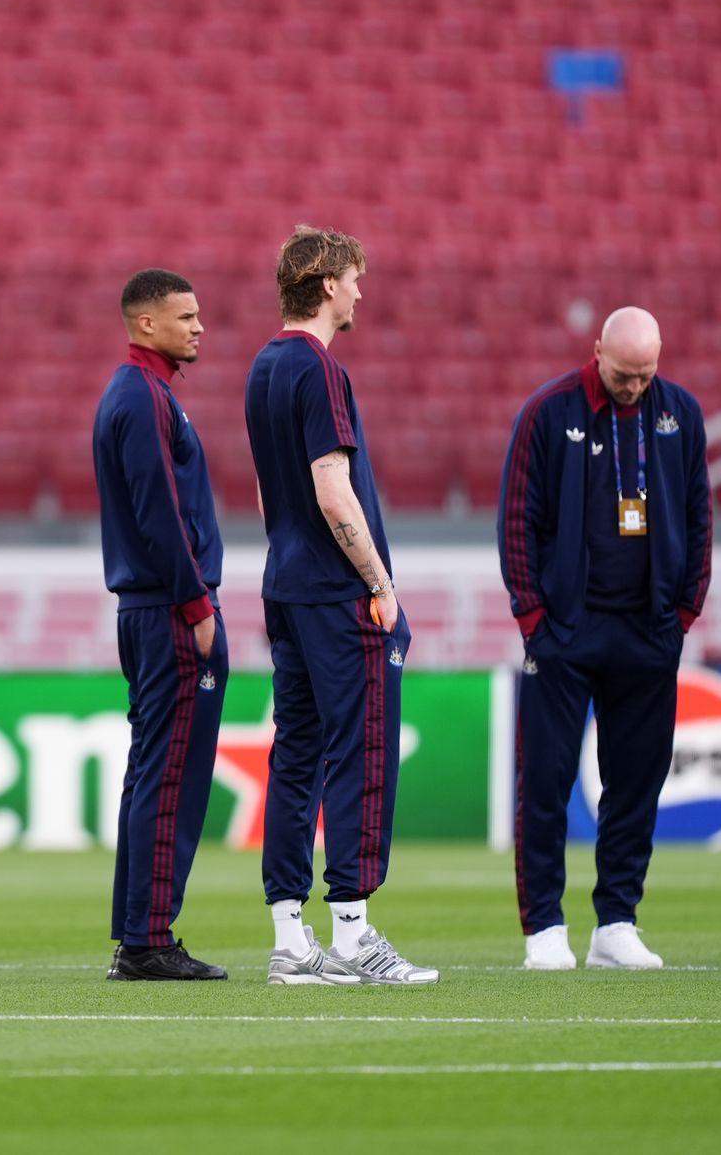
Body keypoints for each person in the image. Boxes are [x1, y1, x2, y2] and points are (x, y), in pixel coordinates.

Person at [244, 226, 436, 987]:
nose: (361, 290)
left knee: (294, 756)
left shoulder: (263, 365)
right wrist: (380, 582)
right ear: (327, 285)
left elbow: (267, 489)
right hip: (335, 592)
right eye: (355, 278)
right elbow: (331, 487)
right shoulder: (320, 369)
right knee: (361, 752)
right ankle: (354, 933)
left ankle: (291, 936)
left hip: (285, 582)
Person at [498, 306, 712, 971]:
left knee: (637, 782)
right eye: (624, 374)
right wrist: (534, 617)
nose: (635, 386)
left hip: (649, 631)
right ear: (598, 353)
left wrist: (683, 612)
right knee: (547, 781)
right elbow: (517, 517)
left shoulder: (679, 412)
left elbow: (699, 512)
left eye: (646, 375)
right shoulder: (548, 410)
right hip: (565, 631)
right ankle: (544, 928)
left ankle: (617, 921)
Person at [92, 268, 228, 982]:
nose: (199, 325)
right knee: (171, 774)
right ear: (146, 323)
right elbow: (159, 513)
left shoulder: (143, 393)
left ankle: (137, 931)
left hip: (152, 608)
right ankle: (148, 937)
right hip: (171, 610)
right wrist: (198, 605)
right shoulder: (144, 398)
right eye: (187, 314)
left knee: (151, 771)